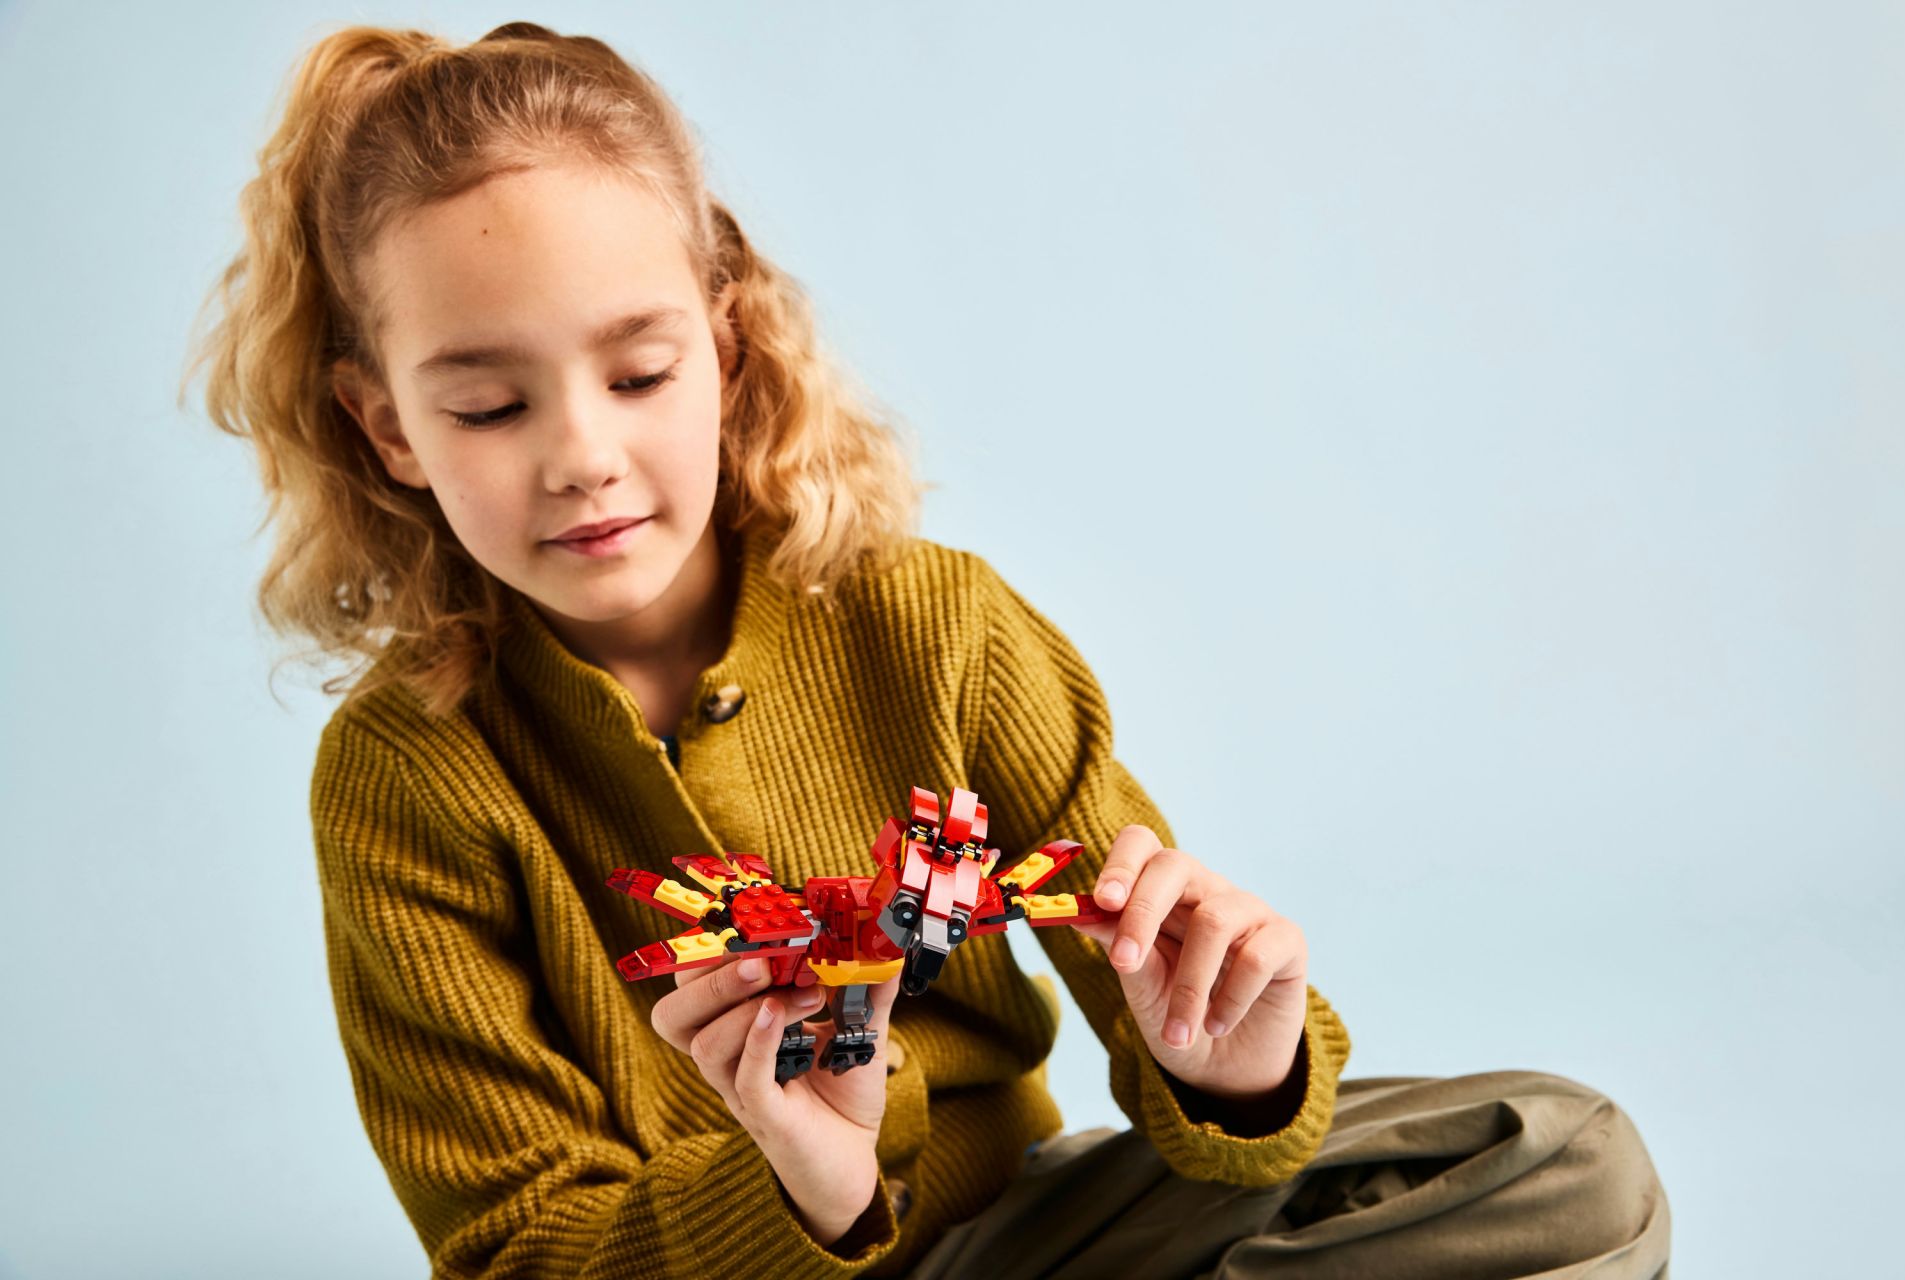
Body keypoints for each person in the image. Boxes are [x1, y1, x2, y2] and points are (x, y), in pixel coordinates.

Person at [181, 20, 1670, 1279]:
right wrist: (805, 1191)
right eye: (489, 408)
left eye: (639, 372)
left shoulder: (935, 628)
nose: (582, 455)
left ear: (726, 351)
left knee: (1562, 1161)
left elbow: (1170, 1034)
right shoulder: (406, 779)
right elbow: (515, 1252)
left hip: (1026, 1243)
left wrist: (1234, 1068)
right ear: (389, 429)